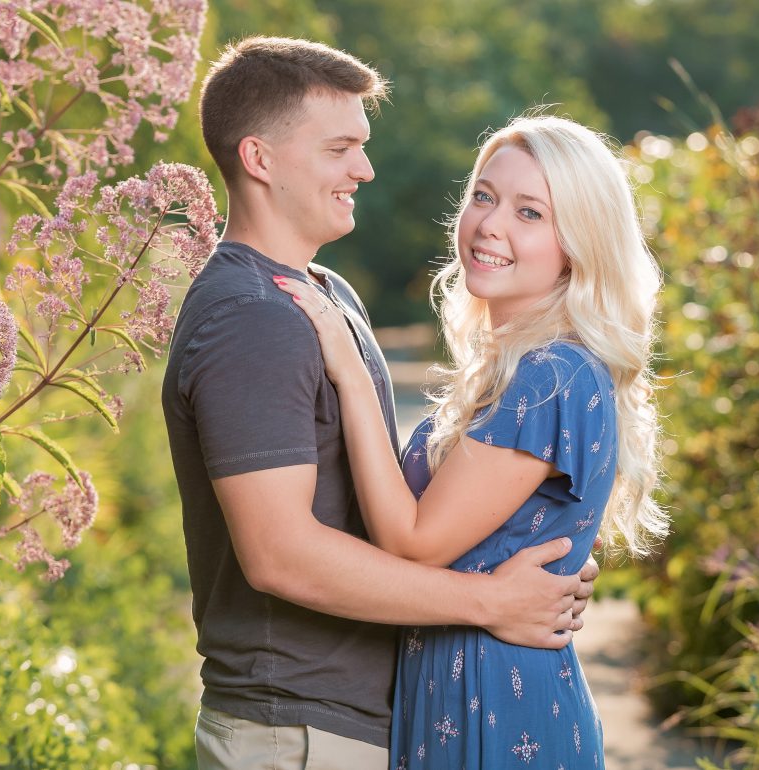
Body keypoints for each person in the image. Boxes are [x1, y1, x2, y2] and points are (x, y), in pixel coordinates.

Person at [161, 38, 600, 770]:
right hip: (295, 733)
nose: (364, 169)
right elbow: (279, 556)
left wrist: (532, 557)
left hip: (361, 726)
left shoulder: (328, 296)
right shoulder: (253, 315)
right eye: (339, 148)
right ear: (260, 160)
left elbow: (389, 504)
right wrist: (490, 601)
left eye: (361, 146)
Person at [273, 113, 668, 768]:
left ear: (580, 241)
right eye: (483, 196)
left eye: (530, 212)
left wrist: (346, 367)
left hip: (500, 712)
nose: (490, 224)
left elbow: (412, 540)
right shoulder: (516, 370)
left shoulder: (552, 375)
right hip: (457, 696)